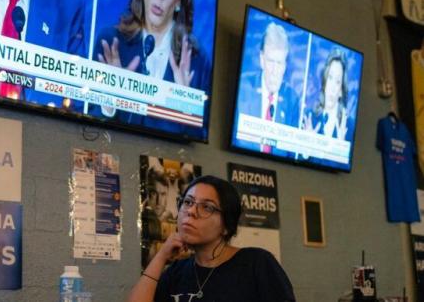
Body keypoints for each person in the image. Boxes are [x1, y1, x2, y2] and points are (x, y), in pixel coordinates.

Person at [92, 0, 210, 134]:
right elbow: (84, 126)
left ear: (179, 0)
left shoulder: (196, 62)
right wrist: (109, 102)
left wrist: (185, 110)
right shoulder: (111, 43)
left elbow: (199, 146)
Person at [127, 175, 295, 302]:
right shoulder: (176, 273)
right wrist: (161, 256)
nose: (191, 211)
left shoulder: (256, 263)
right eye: (188, 202)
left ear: (226, 226)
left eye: (206, 207)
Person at [235, 22, 299, 155]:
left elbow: (293, 156)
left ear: (285, 66)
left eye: (279, 63)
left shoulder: (292, 100)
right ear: (261, 59)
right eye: (270, 61)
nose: (275, 71)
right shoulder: (243, 88)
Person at [302, 48, 354, 141]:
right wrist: (307, 149)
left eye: (338, 82)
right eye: (330, 78)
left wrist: (341, 146)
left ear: (341, 91)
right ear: (324, 81)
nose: (332, 88)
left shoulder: (349, 126)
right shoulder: (310, 117)